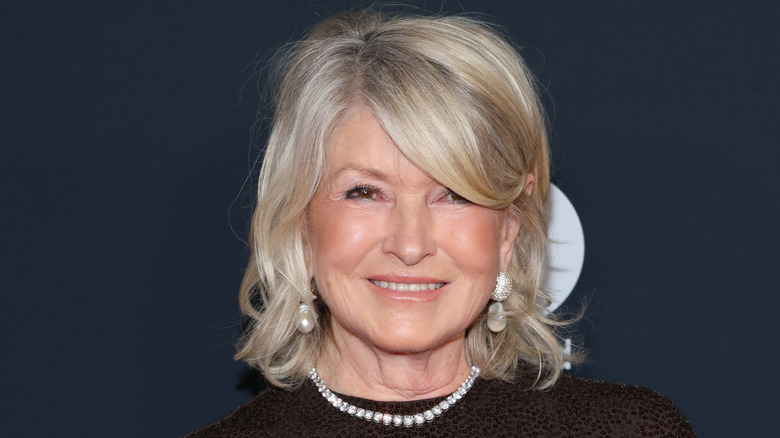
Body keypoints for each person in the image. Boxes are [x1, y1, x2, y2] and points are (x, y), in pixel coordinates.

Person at [188, 9, 695, 437]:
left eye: (453, 195)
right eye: (366, 192)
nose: (410, 244)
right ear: (301, 221)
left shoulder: (628, 430)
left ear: (509, 228)